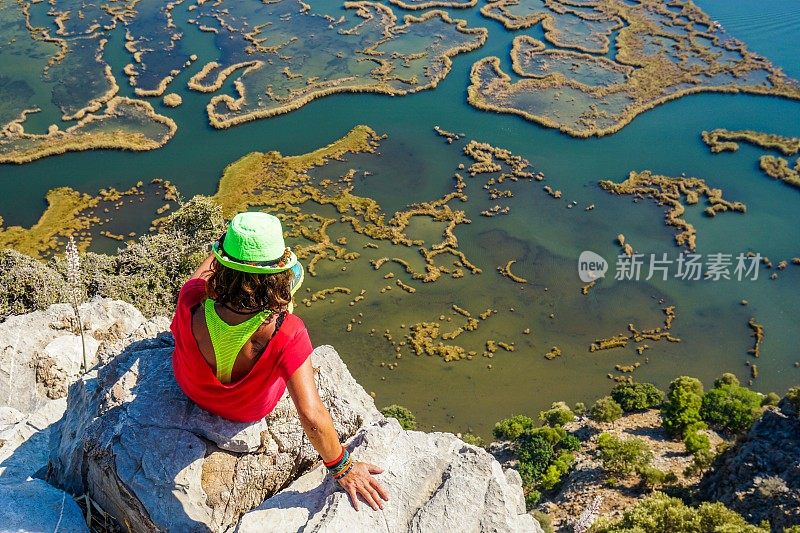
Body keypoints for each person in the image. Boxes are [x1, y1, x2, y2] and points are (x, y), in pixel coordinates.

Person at [170, 212, 388, 511]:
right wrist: (343, 467)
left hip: (191, 388)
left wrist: (223, 251)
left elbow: (203, 274)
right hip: (245, 410)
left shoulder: (190, 297)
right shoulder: (288, 332)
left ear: (221, 265)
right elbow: (311, 416)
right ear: (279, 277)